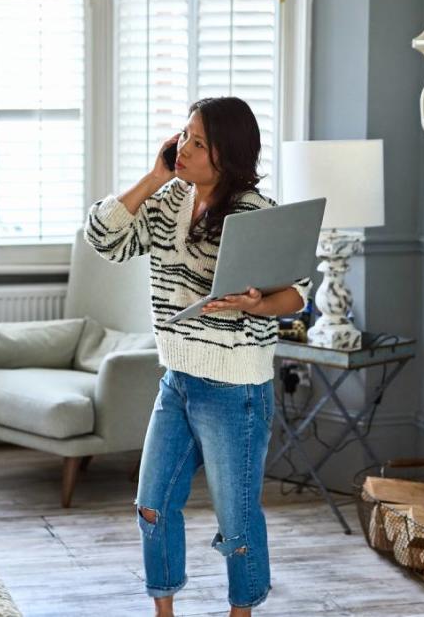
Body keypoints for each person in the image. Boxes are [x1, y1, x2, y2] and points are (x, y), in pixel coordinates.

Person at [84, 97, 311, 616]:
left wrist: (257, 304)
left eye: (198, 142)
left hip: (236, 392)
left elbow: (295, 295)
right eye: (183, 136)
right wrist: (153, 176)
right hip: (177, 380)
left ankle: (242, 611)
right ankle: (163, 611)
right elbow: (103, 238)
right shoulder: (167, 203)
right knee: (152, 506)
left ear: (226, 156)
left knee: (236, 520)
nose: (183, 148)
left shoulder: (258, 214)